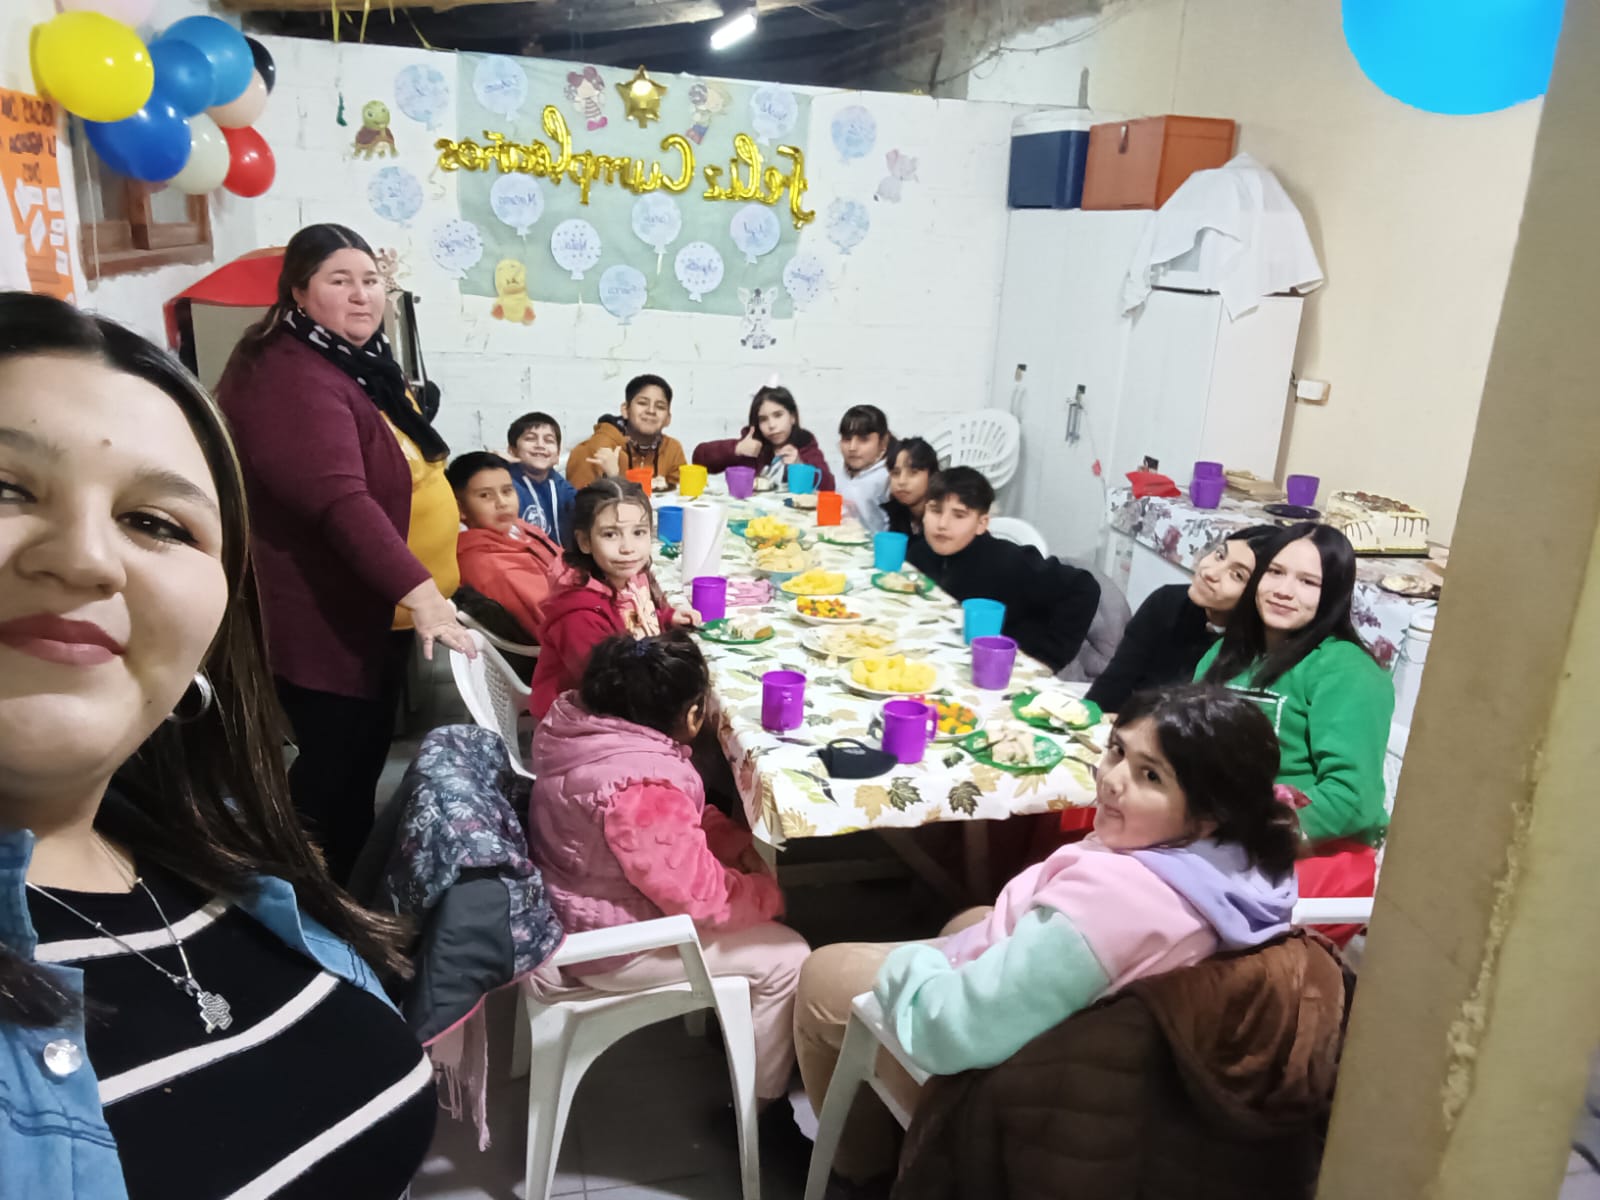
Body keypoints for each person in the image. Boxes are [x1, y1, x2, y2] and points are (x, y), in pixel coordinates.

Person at [0, 293, 435, 1199]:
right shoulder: (290, 380)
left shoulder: (222, 852)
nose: (85, 558)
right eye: (6, 489)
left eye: (157, 523)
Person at [795, 684, 1301, 1189]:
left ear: (1209, 815)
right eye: (1117, 750)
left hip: (1012, 1098)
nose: (1112, 780)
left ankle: (858, 1173)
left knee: (823, 973)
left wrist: (911, 966)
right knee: (968, 918)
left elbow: (954, 1032)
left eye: (1151, 776)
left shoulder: (1114, 904)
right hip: (1110, 1064)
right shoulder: (1244, 866)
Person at [217, 223, 472, 883]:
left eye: (370, 280)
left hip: (366, 608)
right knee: (335, 763)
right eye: (340, 281)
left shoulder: (344, 357)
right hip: (319, 613)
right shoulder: (288, 377)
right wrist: (423, 596)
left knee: (358, 759)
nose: (362, 296)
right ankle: (298, 891)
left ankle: (343, 884)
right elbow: (338, 501)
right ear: (299, 293)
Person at [529, 633, 809, 1106]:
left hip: (575, 901)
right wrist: (765, 893)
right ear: (693, 715)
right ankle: (762, 1107)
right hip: (609, 946)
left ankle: (749, 1024)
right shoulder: (641, 786)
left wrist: (731, 842)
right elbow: (702, 899)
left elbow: (675, 823)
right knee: (790, 956)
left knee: (753, 914)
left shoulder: (586, 736)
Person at [1198, 522, 1394, 933]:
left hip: (1313, 850)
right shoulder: (1224, 654)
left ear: (1334, 594)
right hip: (1215, 831)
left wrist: (1245, 830)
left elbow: (1352, 798)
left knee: (1176, 908)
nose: (1284, 590)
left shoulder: (1347, 671)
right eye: (1275, 572)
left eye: (1308, 582)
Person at [527, 477, 696, 720]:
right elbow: (606, 687)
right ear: (585, 542)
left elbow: (636, 619)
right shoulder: (579, 615)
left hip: (628, 693)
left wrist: (667, 618)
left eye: (638, 532)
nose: (628, 547)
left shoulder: (631, 578)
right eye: (610, 535)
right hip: (578, 719)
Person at [906, 467, 1100, 672]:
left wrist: (1046, 660)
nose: (942, 524)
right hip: (939, 656)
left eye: (959, 515)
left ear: (981, 524)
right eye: (935, 511)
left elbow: (1084, 587)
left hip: (994, 669)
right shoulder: (918, 553)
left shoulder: (1008, 560)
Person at [1087, 525, 1278, 712]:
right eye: (1220, 555)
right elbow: (1114, 684)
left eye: (1237, 575)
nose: (1210, 572)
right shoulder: (1166, 602)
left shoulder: (1255, 648)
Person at [449, 451, 563, 641]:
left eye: (507, 491)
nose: (502, 503)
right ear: (460, 508)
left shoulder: (520, 529)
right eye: (485, 495)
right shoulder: (491, 567)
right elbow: (555, 628)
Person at [692, 384, 836, 491]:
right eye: (763, 419)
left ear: (792, 417)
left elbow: (829, 486)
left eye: (778, 415)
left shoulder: (804, 444)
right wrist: (736, 449)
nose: (771, 425)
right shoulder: (751, 444)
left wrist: (800, 465)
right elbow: (699, 458)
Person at [565, 373, 687, 490]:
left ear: (668, 419)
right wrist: (614, 477)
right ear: (625, 410)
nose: (651, 411)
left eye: (660, 407)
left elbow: (681, 495)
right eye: (642, 403)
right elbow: (582, 501)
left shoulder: (672, 448)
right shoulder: (597, 448)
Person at [505, 411, 576, 545]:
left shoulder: (562, 487)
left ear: (557, 454)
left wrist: (611, 473)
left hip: (560, 556)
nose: (540, 445)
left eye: (549, 441)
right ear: (512, 450)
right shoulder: (505, 485)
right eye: (530, 438)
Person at [836, 404, 893, 533]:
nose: (852, 447)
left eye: (863, 439)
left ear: (883, 442)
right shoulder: (844, 472)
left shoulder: (887, 478)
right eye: (847, 439)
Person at [881, 436, 938, 535]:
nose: (901, 481)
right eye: (895, 473)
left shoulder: (943, 519)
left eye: (913, 472)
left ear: (931, 475)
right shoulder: (893, 514)